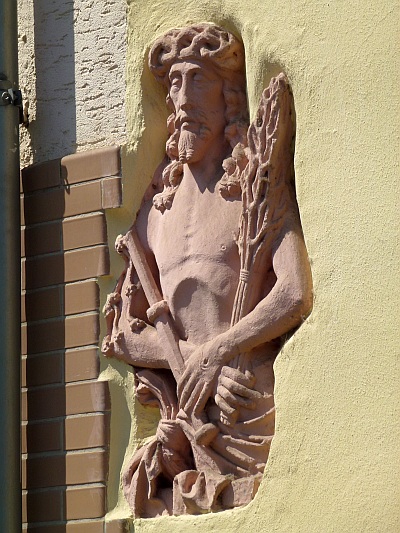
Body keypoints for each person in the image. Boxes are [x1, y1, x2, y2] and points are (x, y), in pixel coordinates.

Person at [102, 24, 313, 517]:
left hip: (243, 407)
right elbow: (123, 334)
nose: (182, 99)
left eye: (197, 79)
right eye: (174, 83)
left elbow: (293, 291)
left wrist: (220, 351)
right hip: (186, 416)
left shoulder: (255, 193)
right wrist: (197, 361)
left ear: (229, 94)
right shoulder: (154, 213)